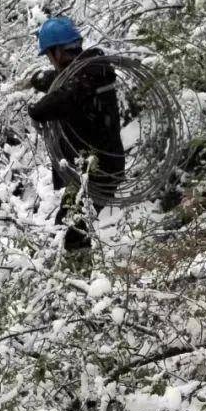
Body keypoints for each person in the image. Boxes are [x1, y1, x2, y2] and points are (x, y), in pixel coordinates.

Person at [27, 17, 125, 256]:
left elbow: (61, 98)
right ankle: (82, 279)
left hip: (97, 171)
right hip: (89, 169)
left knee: (72, 229)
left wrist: (34, 111)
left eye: (50, 54)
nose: (51, 60)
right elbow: (59, 81)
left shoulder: (86, 77)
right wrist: (35, 80)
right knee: (71, 224)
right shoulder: (89, 69)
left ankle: (83, 284)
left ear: (59, 51)